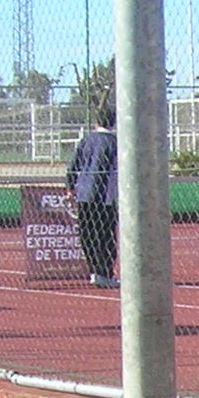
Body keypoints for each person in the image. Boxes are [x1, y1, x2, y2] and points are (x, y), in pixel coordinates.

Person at [69, 104, 119, 286]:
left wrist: (71, 188)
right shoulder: (116, 143)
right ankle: (104, 272)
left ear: (97, 122)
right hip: (106, 196)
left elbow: (74, 166)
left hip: (85, 194)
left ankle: (94, 270)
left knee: (88, 234)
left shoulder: (86, 141)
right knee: (106, 235)